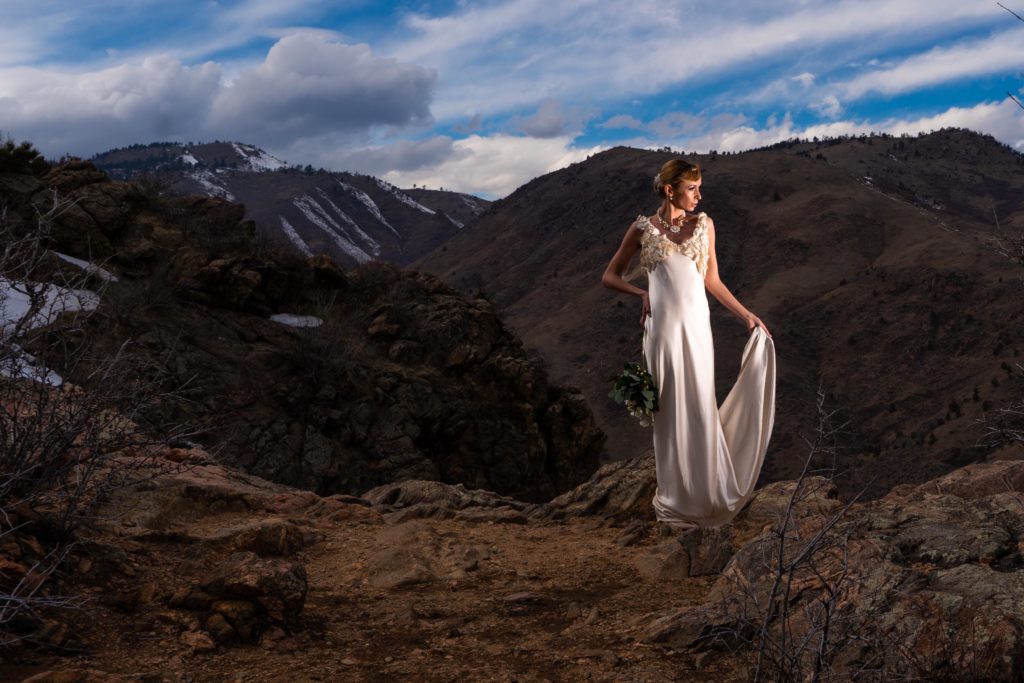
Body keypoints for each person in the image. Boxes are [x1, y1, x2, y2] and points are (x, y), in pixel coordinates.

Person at [601, 159, 776, 533]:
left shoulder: (704, 225)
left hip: (697, 329)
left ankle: (706, 494)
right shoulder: (642, 229)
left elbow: (712, 280)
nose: (699, 194)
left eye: (699, 188)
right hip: (662, 331)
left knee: (698, 405)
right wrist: (641, 293)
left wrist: (746, 315)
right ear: (670, 190)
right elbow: (609, 276)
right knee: (669, 414)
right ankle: (676, 500)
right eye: (692, 188)